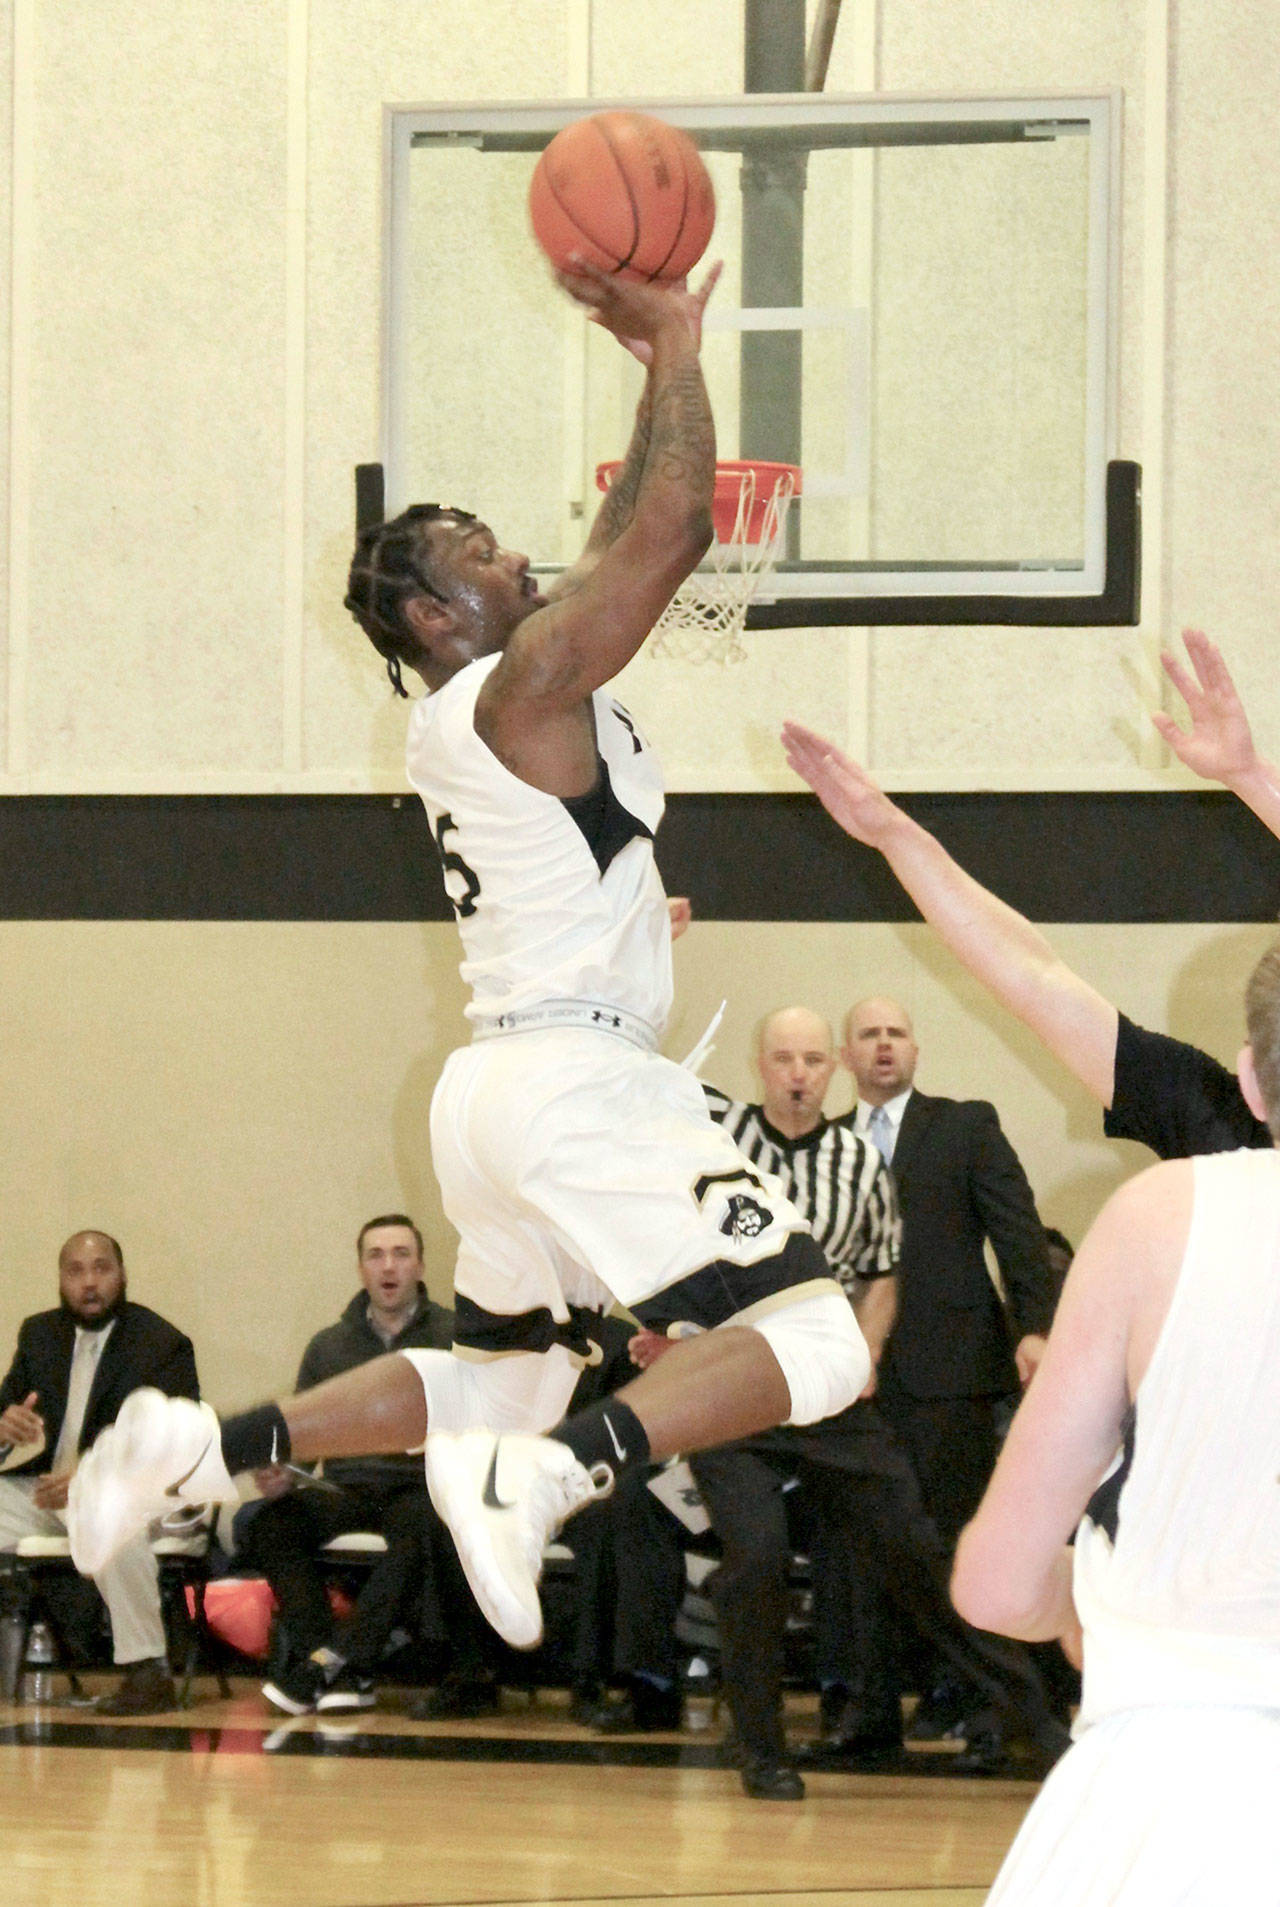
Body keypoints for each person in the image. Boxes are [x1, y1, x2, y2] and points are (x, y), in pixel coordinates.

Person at [68, 261, 869, 1664]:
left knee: (499, 1380)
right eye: (483, 555)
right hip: (575, 1086)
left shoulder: (480, 709)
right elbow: (674, 524)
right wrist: (684, 347)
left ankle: (199, 1441)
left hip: (501, 1085)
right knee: (821, 1339)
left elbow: (611, 550)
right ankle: (558, 1470)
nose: (517, 562)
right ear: (437, 619)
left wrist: (650, 371)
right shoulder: (518, 690)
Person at [950, 940, 1280, 1903]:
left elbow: (996, 1582)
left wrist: (1100, 1603)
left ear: (1251, 1079)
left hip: (1168, 1784)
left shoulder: (1159, 1216)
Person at [780, 629, 1275, 1162]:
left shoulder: (1214, 1126)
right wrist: (1250, 778)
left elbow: (1033, 978)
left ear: (1251, 1077)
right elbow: (1033, 977)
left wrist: (897, 839)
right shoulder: (1209, 1116)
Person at [240, 1214, 468, 1717]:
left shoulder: (453, 1337)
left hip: (421, 1486)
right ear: (361, 1269)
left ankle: (337, 1661)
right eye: (375, 1255)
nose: (388, 1267)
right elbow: (302, 1435)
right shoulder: (329, 1346)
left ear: (420, 1266)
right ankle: (331, 1660)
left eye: (401, 1254)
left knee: (426, 1525)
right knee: (271, 1523)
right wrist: (282, 1473)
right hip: (346, 1486)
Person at [0, 1231, 199, 1715]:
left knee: (110, 1509)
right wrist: (4, 1427)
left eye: (101, 1269)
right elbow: (9, 1413)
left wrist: (91, 1477)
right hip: (48, 1494)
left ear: (122, 1275)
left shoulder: (161, 1344)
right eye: (76, 1271)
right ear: (61, 1279)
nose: (89, 1283)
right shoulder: (39, 1335)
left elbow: (177, 1445)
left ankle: (148, 1671)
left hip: (131, 1493)